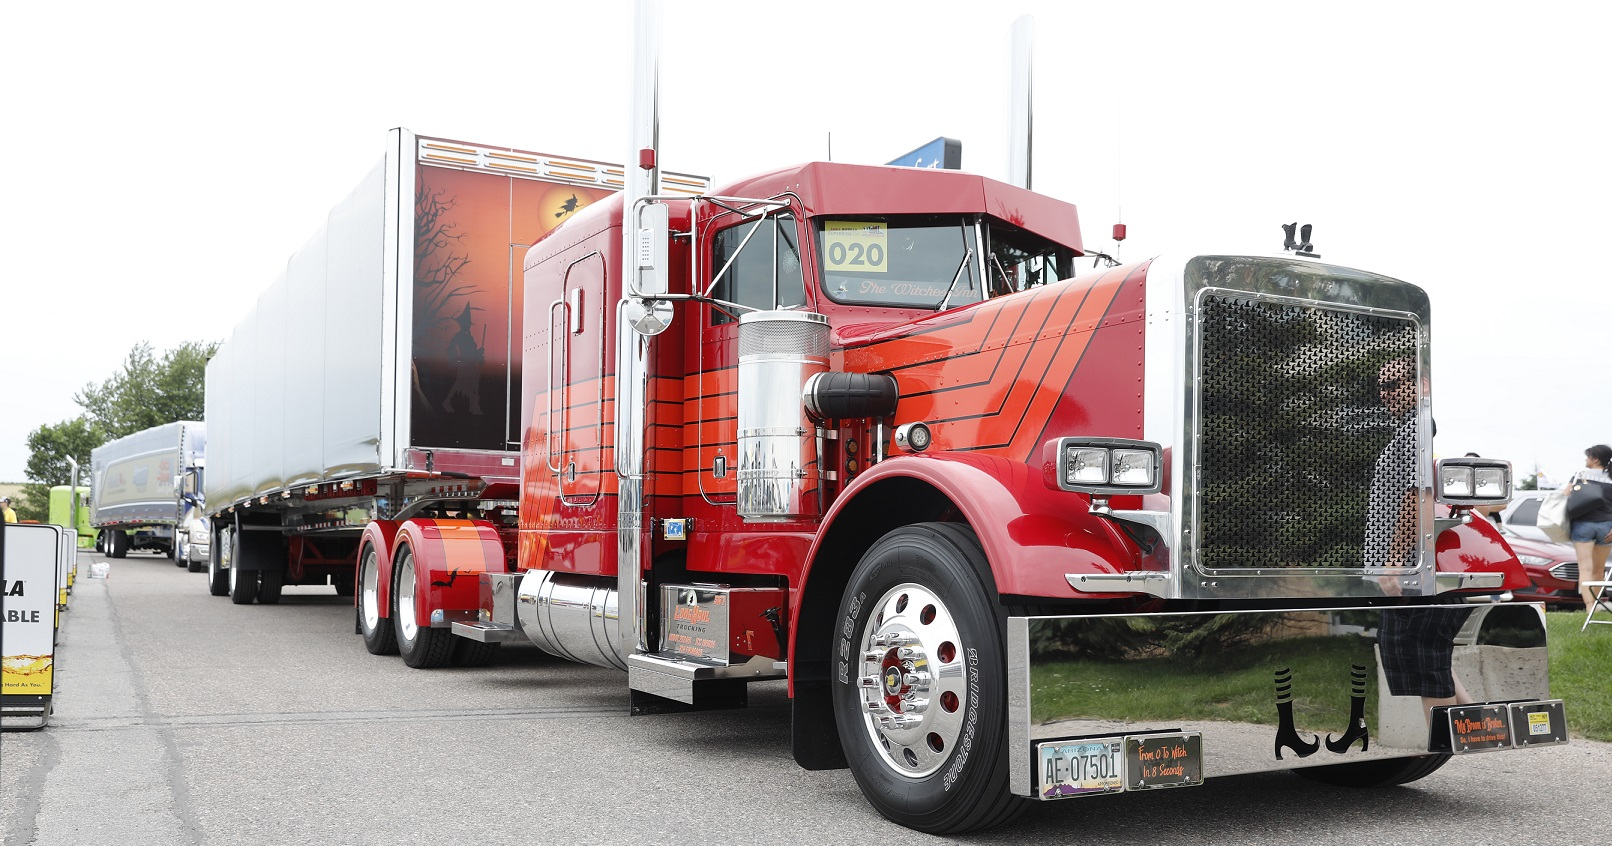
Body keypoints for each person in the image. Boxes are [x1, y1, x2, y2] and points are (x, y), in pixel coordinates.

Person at [1367, 356, 1472, 723]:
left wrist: (1394, 562)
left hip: (1410, 569)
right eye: (1382, 387)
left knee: (1420, 651)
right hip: (1410, 566)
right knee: (1430, 653)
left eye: (1395, 384)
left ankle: (1437, 743)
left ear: (1422, 385)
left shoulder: (1417, 427)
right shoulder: (1411, 429)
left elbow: (1419, 496)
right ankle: (1476, 727)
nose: (1386, 393)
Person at [1561, 444, 1612, 608]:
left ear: (1595, 459)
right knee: (1599, 569)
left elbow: (1564, 496)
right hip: (1606, 526)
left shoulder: (1579, 475)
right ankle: (1596, 603)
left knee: (1585, 568)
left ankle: (1590, 607)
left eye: (1588, 456)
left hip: (1582, 525)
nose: (1585, 459)